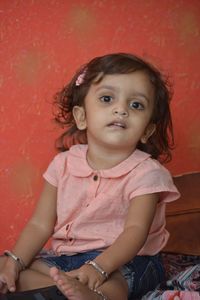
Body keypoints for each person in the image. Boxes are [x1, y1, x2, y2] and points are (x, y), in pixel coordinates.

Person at [0, 53, 180, 300]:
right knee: (14, 270)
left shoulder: (147, 173)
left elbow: (135, 232)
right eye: (107, 99)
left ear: (147, 131)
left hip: (128, 259)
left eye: (136, 105)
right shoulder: (62, 165)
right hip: (70, 258)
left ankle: (97, 296)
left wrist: (99, 267)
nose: (121, 109)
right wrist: (14, 261)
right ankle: (63, 289)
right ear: (82, 117)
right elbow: (40, 224)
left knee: (118, 280)